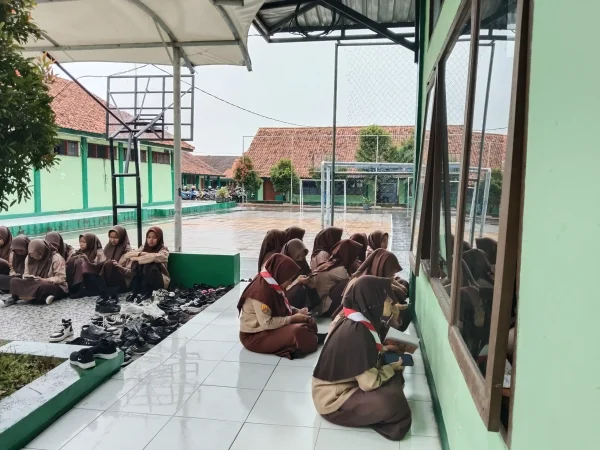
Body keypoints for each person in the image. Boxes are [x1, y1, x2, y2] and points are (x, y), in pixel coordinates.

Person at [312, 275, 412, 441]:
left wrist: (383, 352)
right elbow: (369, 383)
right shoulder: (357, 332)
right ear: (373, 301)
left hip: (350, 383)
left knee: (392, 363)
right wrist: (391, 368)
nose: (390, 302)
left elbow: (362, 355)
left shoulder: (357, 320)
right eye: (386, 298)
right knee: (393, 403)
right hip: (333, 399)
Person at [238, 253, 319, 359]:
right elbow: (267, 323)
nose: (290, 282)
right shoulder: (261, 292)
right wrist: (292, 319)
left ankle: (305, 340)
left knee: (309, 321)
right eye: (289, 279)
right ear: (280, 275)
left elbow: (280, 306)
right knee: (298, 331)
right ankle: (306, 340)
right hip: (255, 336)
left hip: (268, 328)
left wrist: (297, 311)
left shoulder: (272, 284)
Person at [4, 239, 68, 306]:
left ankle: (33, 296)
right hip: (36, 282)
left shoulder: (56, 258)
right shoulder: (29, 257)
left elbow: (61, 278)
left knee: (43, 287)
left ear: (42, 251)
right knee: (14, 281)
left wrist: (45, 280)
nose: (34, 257)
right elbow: (26, 273)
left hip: (53, 284)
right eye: (32, 255)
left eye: (37, 254)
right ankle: (18, 297)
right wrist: (28, 277)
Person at [313, 239, 363, 317]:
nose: (357, 258)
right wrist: (359, 269)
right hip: (323, 308)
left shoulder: (331, 263)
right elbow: (353, 283)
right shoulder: (340, 269)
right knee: (348, 284)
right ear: (350, 255)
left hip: (319, 304)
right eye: (355, 256)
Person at [83, 226, 132, 300]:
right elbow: (100, 263)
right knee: (86, 266)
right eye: (110, 237)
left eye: (115, 238)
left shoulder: (128, 250)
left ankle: (106, 289)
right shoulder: (108, 247)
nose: (112, 240)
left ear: (121, 237)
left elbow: (130, 272)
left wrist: (119, 267)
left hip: (122, 281)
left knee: (109, 264)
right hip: (107, 279)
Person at [125, 226, 170, 302]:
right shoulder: (143, 247)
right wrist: (141, 254)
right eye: (149, 237)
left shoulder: (163, 249)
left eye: (154, 237)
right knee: (135, 264)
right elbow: (128, 255)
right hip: (143, 280)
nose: (151, 240)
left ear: (159, 238)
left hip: (158, 281)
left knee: (149, 265)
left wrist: (139, 258)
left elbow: (156, 257)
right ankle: (135, 291)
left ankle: (147, 292)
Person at [281, 238, 319, 309]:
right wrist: (297, 281)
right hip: (285, 296)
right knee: (300, 289)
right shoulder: (283, 266)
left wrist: (309, 279)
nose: (301, 259)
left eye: (303, 256)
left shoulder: (303, 263)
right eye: (297, 257)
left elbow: (309, 275)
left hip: (300, 292)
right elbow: (282, 289)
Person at [66, 232, 105, 297]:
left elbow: (99, 266)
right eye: (80, 242)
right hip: (85, 277)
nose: (81, 244)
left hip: (95, 277)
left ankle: (81, 288)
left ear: (90, 242)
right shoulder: (80, 251)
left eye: (84, 242)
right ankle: (75, 287)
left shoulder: (99, 253)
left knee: (81, 261)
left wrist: (87, 260)